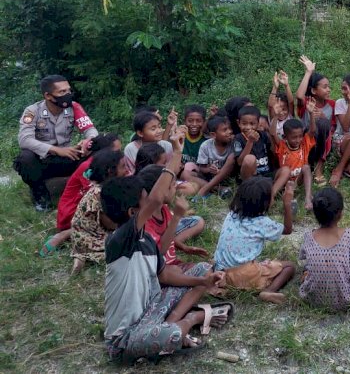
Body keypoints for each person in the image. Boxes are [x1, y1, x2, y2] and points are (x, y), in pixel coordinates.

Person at [101, 128, 231, 364]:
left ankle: (176, 322)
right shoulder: (120, 240)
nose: (151, 202)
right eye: (145, 200)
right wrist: (176, 153)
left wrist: (203, 282)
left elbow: (165, 275)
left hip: (152, 309)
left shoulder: (147, 240)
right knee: (171, 335)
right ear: (133, 213)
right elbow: (157, 198)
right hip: (124, 339)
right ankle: (191, 320)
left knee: (203, 269)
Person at [14, 74, 99, 211]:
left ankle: (93, 190)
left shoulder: (74, 107)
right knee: (25, 158)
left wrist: (88, 141)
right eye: (62, 92)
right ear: (48, 96)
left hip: (68, 157)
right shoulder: (33, 111)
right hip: (43, 161)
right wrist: (55, 149)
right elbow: (24, 140)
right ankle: (40, 195)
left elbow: (91, 130)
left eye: (68, 91)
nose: (68, 94)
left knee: (99, 146)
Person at [214, 177, 296, 304]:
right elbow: (288, 229)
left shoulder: (231, 215)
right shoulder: (262, 223)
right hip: (245, 274)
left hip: (220, 272)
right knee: (289, 266)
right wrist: (287, 203)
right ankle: (269, 291)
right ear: (265, 203)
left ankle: (231, 287)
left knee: (259, 263)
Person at [299, 188, 350, 309]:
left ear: (315, 214)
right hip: (346, 300)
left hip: (312, 298)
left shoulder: (308, 236)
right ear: (340, 213)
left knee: (306, 269)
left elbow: (304, 258)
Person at [41, 133, 121, 256]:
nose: (120, 155)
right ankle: (66, 234)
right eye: (116, 151)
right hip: (73, 214)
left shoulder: (108, 165)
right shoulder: (90, 167)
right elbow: (98, 196)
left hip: (83, 210)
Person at [69, 148, 128, 275]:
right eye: (123, 167)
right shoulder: (99, 194)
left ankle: (80, 257)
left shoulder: (104, 188)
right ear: (110, 171)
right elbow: (109, 224)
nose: (126, 170)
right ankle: (84, 256)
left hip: (83, 237)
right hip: (92, 238)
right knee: (126, 248)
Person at [137, 165, 209, 268]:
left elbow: (167, 235)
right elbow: (161, 251)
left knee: (207, 270)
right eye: (172, 185)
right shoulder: (145, 222)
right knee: (205, 274)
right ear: (161, 192)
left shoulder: (164, 209)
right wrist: (176, 217)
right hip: (162, 270)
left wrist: (183, 247)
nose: (176, 187)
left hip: (171, 263)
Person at [295, 56, 335, 186]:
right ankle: (307, 166)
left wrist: (323, 117)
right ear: (313, 90)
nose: (328, 89)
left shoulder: (332, 105)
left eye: (328, 86)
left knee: (323, 125)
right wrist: (308, 72)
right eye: (324, 87)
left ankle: (319, 169)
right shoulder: (307, 103)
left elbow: (333, 128)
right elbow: (299, 96)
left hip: (323, 144)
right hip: (306, 142)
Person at [269, 102, 317, 210]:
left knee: (306, 167)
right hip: (284, 181)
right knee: (285, 169)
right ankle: (271, 196)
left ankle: (308, 198)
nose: (298, 140)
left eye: (300, 136)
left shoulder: (304, 143)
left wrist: (311, 113)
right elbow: (272, 133)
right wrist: (276, 116)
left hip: (297, 181)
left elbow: (313, 131)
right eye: (294, 137)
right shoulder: (282, 145)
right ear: (285, 137)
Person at [194, 116, 236, 199]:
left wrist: (221, 171)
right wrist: (209, 169)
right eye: (225, 130)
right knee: (188, 174)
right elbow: (201, 168)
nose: (229, 132)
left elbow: (235, 166)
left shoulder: (234, 144)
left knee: (232, 157)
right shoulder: (206, 145)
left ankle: (207, 189)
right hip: (209, 178)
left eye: (229, 129)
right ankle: (218, 189)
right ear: (213, 135)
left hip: (227, 178)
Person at [123, 111, 173, 175]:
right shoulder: (131, 149)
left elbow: (171, 169)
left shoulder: (166, 145)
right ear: (140, 133)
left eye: (159, 127)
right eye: (153, 129)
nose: (159, 131)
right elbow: (131, 174)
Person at [233, 105, 274, 180]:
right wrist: (250, 141)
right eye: (244, 124)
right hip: (251, 176)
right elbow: (240, 162)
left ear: (258, 123)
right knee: (249, 159)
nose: (248, 127)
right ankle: (249, 187)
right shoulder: (238, 138)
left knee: (285, 171)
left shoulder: (263, 135)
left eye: (252, 124)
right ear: (238, 123)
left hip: (267, 174)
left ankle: (273, 191)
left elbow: (273, 151)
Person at [181, 104, 209, 188]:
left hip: (200, 174)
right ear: (184, 121)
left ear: (204, 122)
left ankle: (213, 188)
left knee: (186, 173)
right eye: (190, 120)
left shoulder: (206, 139)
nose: (194, 124)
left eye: (198, 121)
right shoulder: (180, 136)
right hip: (182, 173)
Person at [268, 71, 295, 140]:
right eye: (277, 109)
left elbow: (291, 102)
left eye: (284, 109)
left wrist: (286, 85)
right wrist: (275, 87)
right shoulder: (274, 118)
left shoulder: (289, 116)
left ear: (288, 109)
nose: (281, 112)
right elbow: (270, 105)